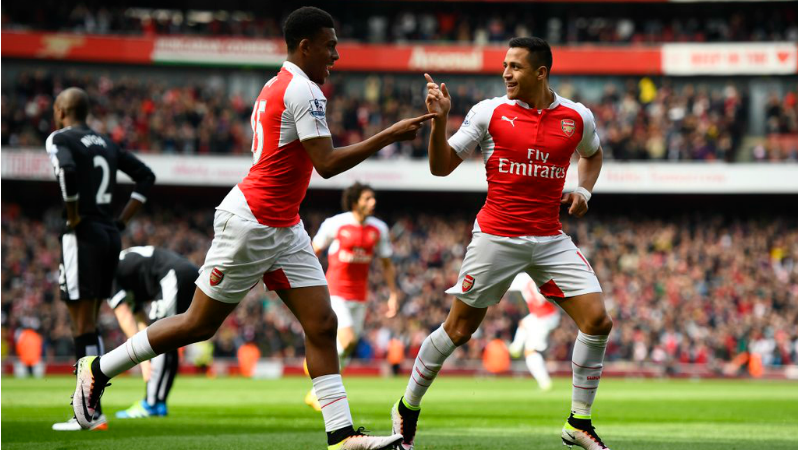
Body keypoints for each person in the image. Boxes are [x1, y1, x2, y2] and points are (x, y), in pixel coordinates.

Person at [70, 7, 433, 449]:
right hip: (253, 222)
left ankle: (340, 435)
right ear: (306, 46)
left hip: (284, 223)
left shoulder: (276, 84)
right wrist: (389, 135)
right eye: (330, 45)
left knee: (321, 322)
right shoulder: (304, 90)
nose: (336, 55)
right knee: (197, 325)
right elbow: (328, 164)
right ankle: (96, 369)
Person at [390, 37, 612, 450]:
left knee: (598, 321)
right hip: (496, 236)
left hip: (549, 237)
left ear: (541, 72)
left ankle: (578, 422)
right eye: (504, 65)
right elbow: (441, 168)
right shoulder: (488, 112)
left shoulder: (577, 117)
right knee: (457, 330)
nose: (506, 73)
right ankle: (407, 407)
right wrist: (440, 121)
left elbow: (593, 155)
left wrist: (584, 191)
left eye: (515, 66)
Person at [47, 87, 155, 431]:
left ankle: (88, 413)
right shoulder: (106, 142)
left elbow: (66, 170)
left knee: (82, 324)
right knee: (90, 322)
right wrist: (121, 220)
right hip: (110, 234)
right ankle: (91, 409)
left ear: (62, 111)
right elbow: (146, 176)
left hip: (83, 234)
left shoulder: (60, 138)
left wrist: (74, 213)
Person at [305, 182, 399, 410]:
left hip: (360, 295)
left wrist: (393, 294)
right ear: (355, 202)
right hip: (335, 291)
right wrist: (307, 284)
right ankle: (320, 385)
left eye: (373, 198)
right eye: (367, 198)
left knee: (349, 346)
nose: (373, 202)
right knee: (346, 340)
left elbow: (386, 264)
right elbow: (311, 252)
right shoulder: (335, 224)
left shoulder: (379, 229)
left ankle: (318, 386)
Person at [108, 246, 198, 419]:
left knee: (163, 340)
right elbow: (141, 319)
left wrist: (140, 360)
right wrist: (144, 353)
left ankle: (150, 403)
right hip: (184, 273)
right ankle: (159, 403)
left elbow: (124, 316)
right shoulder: (125, 272)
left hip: (171, 276)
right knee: (168, 341)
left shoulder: (107, 273)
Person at [507, 272, 561, 391]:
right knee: (524, 323)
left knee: (530, 352)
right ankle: (515, 347)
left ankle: (545, 383)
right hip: (544, 315)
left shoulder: (522, 279)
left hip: (544, 318)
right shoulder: (536, 277)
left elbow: (505, 284)